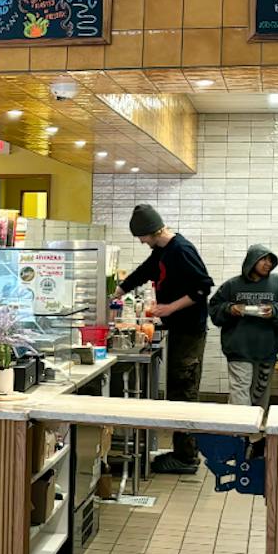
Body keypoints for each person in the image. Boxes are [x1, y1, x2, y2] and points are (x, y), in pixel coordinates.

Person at [115, 203, 213, 474]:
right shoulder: (162, 250)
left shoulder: (181, 250)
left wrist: (169, 308)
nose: (141, 242)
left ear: (151, 231)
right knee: (176, 390)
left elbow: (203, 287)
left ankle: (186, 458)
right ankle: (182, 452)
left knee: (183, 390)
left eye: (141, 237)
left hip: (190, 331)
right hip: (179, 329)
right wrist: (117, 292)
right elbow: (144, 272)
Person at [209, 244, 278, 410]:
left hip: (267, 349)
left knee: (260, 393)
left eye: (270, 260)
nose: (268, 264)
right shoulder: (232, 285)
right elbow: (214, 308)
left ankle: (256, 434)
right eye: (263, 259)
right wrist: (230, 309)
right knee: (240, 392)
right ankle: (240, 432)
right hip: (238, 349)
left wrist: (274, 311)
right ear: (251, 261)